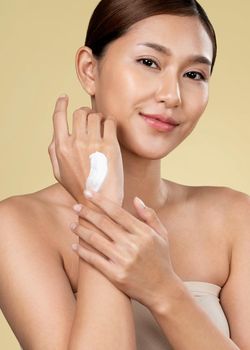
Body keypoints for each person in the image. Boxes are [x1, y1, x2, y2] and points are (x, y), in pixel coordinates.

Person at [0, 0, 249, 348]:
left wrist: (164, 290)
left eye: (194, 74)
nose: (172, 95)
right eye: (149, 62)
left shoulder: (235, 218)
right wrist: (100, 207)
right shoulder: (18, 225)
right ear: (89, 69)